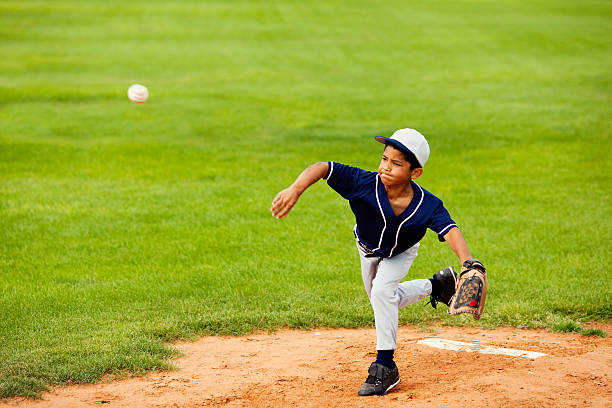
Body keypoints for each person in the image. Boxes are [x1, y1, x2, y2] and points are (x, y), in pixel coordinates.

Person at [270, 128, 477, 396]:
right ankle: (438, 286)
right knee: (382, 300)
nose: (386, 167)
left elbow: (449, 229)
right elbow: (322, 167)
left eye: (397, 163)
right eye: (384, 159)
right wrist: (295, 189)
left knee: (382, 293)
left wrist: (468, 261)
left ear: (415, 173)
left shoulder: (428, 205)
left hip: (402, 252)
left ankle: (385, 365)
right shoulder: (363, 183)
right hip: (367, 249)